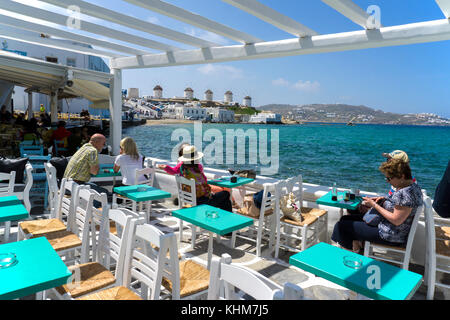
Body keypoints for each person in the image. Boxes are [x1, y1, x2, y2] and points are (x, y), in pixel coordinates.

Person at [331, 159, 423, 253]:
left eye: (389, 178)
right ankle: (358, 249)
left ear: (402, 176)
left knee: (341, 226)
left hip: (390, 235)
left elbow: (396, 220)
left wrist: (374, 205)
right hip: (390, 228)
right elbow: (397, 206)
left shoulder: (405, 194)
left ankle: (349, 255)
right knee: (345, 219)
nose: (387, 181)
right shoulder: (412, 187)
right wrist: (383, 199)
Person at [177, 145, 232, 212]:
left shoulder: (183, 169)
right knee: (226, 194)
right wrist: (211, 194)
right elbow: (204, 191)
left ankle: (223, 216)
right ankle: (226, 217)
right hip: (201, 202)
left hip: (192, 200)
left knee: (224, 201)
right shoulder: (196, 174)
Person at [63, 133, 111, 203]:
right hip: (75, 186)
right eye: (103, 144)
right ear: (96, 142)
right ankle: (92, 212)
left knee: (94, 186)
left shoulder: (84, 147)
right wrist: (98, 168)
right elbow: (94, 172)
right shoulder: (92, 151)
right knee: (104, 193)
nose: (104, 146)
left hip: (68, 184)